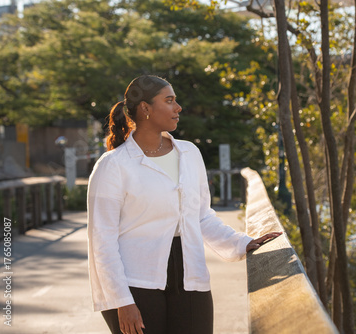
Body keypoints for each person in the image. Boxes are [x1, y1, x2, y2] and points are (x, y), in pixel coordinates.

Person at [87, 74, 281, 334]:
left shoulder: (190, 153)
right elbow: (102, 241)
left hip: (190, 275)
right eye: (169, 101)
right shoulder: (112, 166)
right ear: (145, 108)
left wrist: (242, 243)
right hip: (133, 283)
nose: (178, 108)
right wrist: (122, 301)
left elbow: (201, 216)